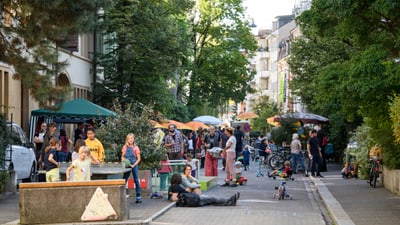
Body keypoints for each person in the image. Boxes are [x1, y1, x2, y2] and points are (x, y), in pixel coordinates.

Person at [170, 173, 239, 207]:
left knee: (212, 201)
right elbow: (174, 198)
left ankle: (229, 202)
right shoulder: (175, 187)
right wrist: (181, 200)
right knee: (212, 198)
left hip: (193, 199)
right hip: (194, 199)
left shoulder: (174, 186)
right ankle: (229, 201)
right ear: (178, 179)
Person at [121, 133, 142, 203]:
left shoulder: (136, 148)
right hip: (127, 165)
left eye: (132, 138)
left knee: (136, 180)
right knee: (124, 180)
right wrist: (124, 162)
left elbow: (138, 159)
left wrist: (133, 165)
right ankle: (122, 195)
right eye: (129, 138)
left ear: (134, 139)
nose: (131, 140)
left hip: (134, 164)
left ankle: (138, 196)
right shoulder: (125, 147)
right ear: (127, 139)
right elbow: (122, 157)